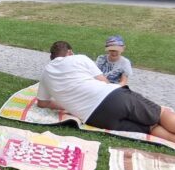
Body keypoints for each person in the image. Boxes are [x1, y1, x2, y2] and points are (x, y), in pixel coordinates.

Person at [37, 41, 175, 143]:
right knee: (160, 113)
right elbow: (104, 82)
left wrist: (67, 105)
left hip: (96, 118)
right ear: (70, 52)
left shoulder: (45, 74)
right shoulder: (79, 58)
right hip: (112, 97)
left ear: (53, 58)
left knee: (151, 128)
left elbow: (42, 103)